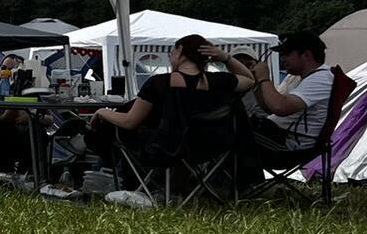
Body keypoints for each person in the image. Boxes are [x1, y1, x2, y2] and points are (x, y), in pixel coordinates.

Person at [88, 35, 252, 166]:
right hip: (214, 145)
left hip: (167, 147)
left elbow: (130, 121)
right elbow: (249, 79)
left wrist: (102, 111)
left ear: (180, 50)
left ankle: (109, 173)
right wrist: (225, 58)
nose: (171, 57)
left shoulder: (160, 83)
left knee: (113, 129)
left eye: (172, 53)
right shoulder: (220, 81)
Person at [246, 32, 334, 160]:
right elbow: (269, 108)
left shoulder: (322, 78)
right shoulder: (302, 78)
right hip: (279, 136)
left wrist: (264, 78)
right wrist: (257, 81)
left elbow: (280, 107)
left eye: (287, 54)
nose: (282, 59)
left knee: (231, 130)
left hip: (290, 146)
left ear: (306, 55)